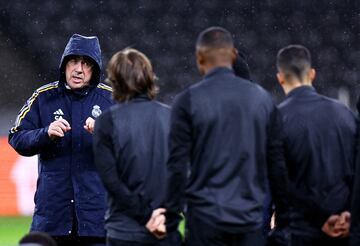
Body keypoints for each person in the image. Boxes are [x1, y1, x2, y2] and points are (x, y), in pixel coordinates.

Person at [147, 26, 290, 246]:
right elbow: (277, 167)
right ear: (233, 55)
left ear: (199, 59)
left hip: (204, 223)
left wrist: (173, 225)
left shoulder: (187, 101)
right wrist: (283, 226)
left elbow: (176, 166)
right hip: (249, 222)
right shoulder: (263, 100)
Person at [8, 34, 114, 246]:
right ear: (64, 64)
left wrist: (105, 133)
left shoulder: (112, 99)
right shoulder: (43, 97)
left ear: (95, 69)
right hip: (52, 218)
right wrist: (45, 133)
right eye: (74, 61)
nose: (79, 69)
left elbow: (131, 147)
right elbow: (16, 137)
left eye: (86, 63)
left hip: (97, 221)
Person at [92, 48, 182, 246]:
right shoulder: (173, 117)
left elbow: (111, 180)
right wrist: (165, 217)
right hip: (166, 229)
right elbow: (184, 174)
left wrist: (146, 216)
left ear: (114, 80)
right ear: (149, 76)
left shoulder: (106, 121)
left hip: (125, 232)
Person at [269, 44, 356, 246]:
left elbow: (280, 183)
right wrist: (347, 214)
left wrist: (319, 218)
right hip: (344, 229)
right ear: (312, 74)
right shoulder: (345, 115)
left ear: (280, 77)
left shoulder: (277, 120)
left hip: (299, 231)